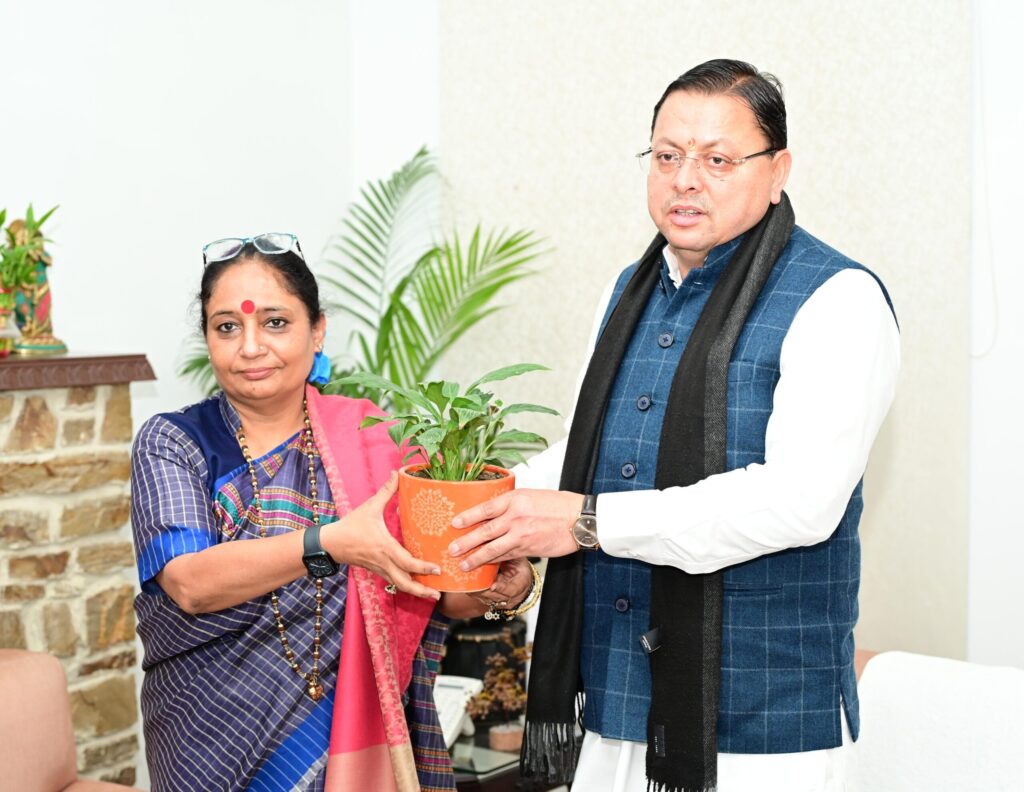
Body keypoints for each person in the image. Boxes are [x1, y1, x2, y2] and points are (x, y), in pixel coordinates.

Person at [447, 59, 900, 792]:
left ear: (777, 171)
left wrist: (587, 522)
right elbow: (593, 449)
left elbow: (799, 502)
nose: (685, 180)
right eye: (666, 156)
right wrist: (490, 509)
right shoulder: (626, 289)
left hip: (764, 721)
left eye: (718, 160)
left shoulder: (838, 298)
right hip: (613, 697)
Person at [130, 232, 537, 792]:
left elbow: (430, 589)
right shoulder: (174, 442)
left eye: (275, 322)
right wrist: (330, 544)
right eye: (227, 327)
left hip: (355, 734)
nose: (251, 346)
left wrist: (500, 586)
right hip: (210, 740)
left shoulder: (376, 442)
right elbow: (190, 584)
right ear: (207, 338)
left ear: (317, 330)